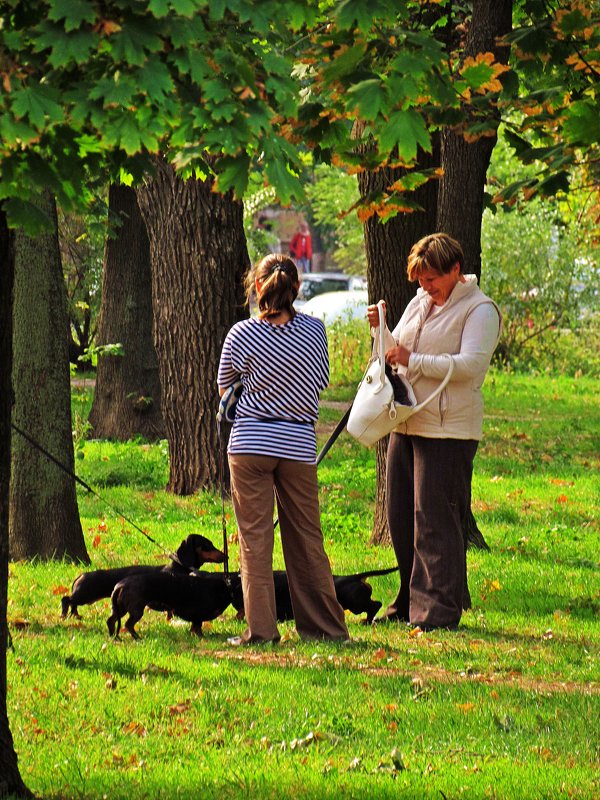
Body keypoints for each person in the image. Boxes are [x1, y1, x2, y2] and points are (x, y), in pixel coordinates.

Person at [367, 233, 501, 631]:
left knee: (435, 520)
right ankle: (409, 602)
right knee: (402, 516)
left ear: (456, 271)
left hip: (448, 429)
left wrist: (415, 360)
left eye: (432, 279)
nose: (425, 287)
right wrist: (381, 331)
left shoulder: (480, 310)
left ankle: (438, 611)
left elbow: (470, 366)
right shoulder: (420, 302)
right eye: (421, 280)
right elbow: (397, 354)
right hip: (407, 421)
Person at [218, 253, 349, 645]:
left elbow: (224, 386)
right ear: (298, 288)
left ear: (257, 287)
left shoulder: (241, 334)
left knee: (255, 541)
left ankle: (261, 631)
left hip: (250, 444)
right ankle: (324, 628)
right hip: (298, 445)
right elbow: (321, 378)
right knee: (307, 538)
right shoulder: (314, 330)